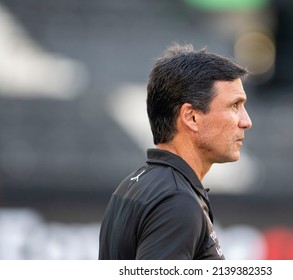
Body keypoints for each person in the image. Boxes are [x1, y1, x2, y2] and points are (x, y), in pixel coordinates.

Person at [98, 43, 252, 260]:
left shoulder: (133, 184)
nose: (246, 122)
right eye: (234, 106)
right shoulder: (177, 201)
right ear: (191, 117)